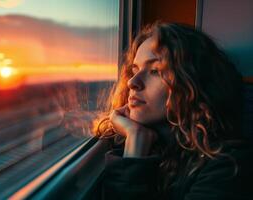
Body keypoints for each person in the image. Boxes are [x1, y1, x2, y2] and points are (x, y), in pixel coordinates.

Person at [93, 22, 253, 200]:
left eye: (155, 71)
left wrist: (135, 144)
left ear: (193, 83)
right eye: (135, 70)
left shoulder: (230, 165)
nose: (132, 82)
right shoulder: (140, 145)